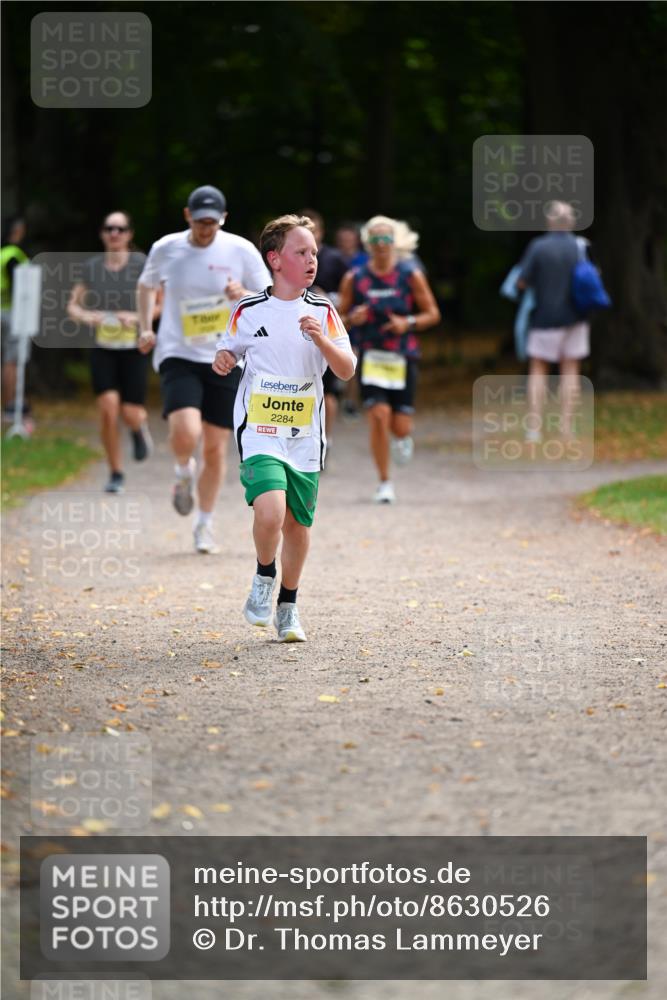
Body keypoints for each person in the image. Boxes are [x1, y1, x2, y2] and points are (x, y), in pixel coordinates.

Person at [213, 214, 355, 641]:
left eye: (313, 252)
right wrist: (223, 360)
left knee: (297, 523)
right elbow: (228, 350)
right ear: (275, 260)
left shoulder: (323, 310)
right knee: (270, 509)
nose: (312, 260)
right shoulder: (249, 308)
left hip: (304, 435)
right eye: (301, 252)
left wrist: (322, 340)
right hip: (259, 427)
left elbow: (346, 370)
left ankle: (288, 605)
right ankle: (263, 575)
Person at [137, 185, 270, 553]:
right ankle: (183, 470)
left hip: (226, 354)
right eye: (200, 222)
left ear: (223, 219)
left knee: (215, 446)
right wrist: (146, 326)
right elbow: (146, 286)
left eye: (212, 222)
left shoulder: (240, 250)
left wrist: (241, 293)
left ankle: (204, 523)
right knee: (185, 431)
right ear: (187, 217)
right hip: (178, 351)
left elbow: (270, 296)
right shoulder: (167, 247)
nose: (206, 228)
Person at [338, 214, 440, 504]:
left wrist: (406, 322)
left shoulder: (410, 275)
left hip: (403, 355)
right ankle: (384, 482)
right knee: (378, 416)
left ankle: (402, 437)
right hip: (371, 355)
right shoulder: (355, 279)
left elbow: (433, 314)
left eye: (387, 239)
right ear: (368, 244)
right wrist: (352, 318)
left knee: (399, 425)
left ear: (394, 243)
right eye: (376, 239)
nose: (382, 245)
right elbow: (338, 323)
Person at [67, 211, 153, 493]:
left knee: (130, 412)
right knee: (107, 409)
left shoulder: (142, 265)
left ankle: (138, 429)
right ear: (103, 233)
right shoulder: (92, 267)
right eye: (109, 228)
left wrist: (138, 318)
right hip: (103, 347)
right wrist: (88, 316)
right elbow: (73, 306)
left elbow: (160, 304)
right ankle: (115, 472)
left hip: (133, 347)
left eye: (120, 228)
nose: (114, 233)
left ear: (129, 234)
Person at [516, 201, 590, 442]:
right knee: (570, 371)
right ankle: (567, 428)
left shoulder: (538, 247)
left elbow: (522, 282)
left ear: (549, 221)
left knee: (538, 370)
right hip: (576, 319)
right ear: (570, 222)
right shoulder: (580, 247)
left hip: (544, 318)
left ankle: (534, 429)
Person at [300, 209, 348, 453]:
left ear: (321, 232)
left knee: (328, 390)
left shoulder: (334, 258)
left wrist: (326, 298)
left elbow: (348, 293)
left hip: (327, 329)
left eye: (314, 230)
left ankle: (324, 439)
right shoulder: (289, 256)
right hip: (297, 331)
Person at [1, 216, 31, 423]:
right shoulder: (14, 255)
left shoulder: (2, 253)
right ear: (18, 231)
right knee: (12, 361)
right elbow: (20, 287)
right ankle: (10, 406)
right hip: (12, 313)